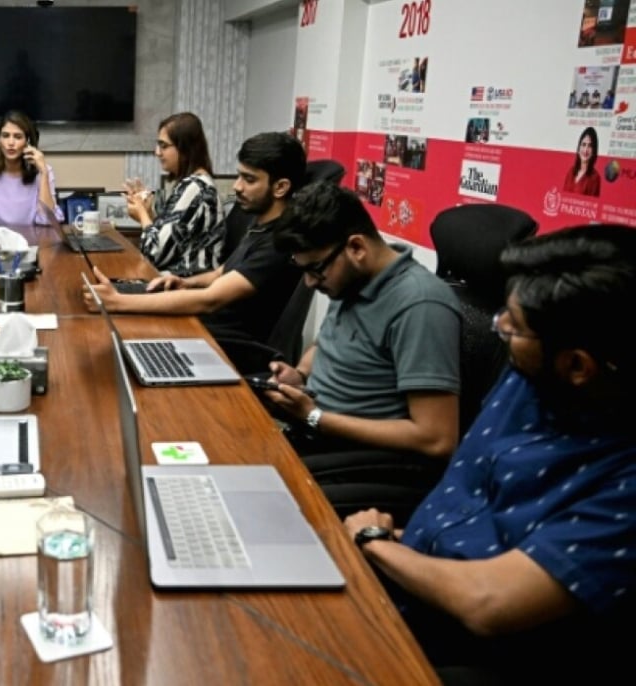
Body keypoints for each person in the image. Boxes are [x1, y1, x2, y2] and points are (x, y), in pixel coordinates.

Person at [344, 225, 636, 683]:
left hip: (463, 649)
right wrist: (402, 547)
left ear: (577, 366)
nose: (497, 325)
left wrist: (372, 543)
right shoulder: (534, 378)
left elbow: (488, 604)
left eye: (514, 327)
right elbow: (475, 501)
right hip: (408, 576)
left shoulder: (624, 480)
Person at [264, 182, 461, 524]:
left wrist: (314, 417)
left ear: (356, 246)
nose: (310, 283)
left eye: (315, 269)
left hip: (372, 459)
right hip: (320, 431)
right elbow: (325, 342)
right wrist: (300, 374)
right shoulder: (352, 279)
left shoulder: (420, 304)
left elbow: (437, 438)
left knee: (265, 502)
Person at [81, 131, 306, 372]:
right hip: (208, 327)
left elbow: (210, 300)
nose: (237, 186)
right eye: (239, 176)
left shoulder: (279, 243)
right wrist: (185, 283)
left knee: (116, 342)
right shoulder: (259, 223)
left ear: (280, 187)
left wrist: (117, 302)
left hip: (229, 346)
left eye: (249, 179)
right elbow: (222, 272)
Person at [125, 112, 224, 277]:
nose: (157, 152)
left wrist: (142, 214)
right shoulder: (197, 183)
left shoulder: (194, 187)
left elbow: (154, 253)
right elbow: (173, 241)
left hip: (185, 287)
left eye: (164, 146)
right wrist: (148, 213)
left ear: (185, 148)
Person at [0, 110, 63, 227]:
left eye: (18, 137)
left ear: (27, 142)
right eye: (5, 136)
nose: (11, 142)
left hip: (31, 242)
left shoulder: (44, 170)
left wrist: (43, 173)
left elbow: (47, 221)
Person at [562, 126, 601, 197]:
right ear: (579, 147)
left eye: (590, 146)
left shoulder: (595, 178)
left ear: (594, 150)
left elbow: (591, 206)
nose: (586, 150)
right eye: (583, 144)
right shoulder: (571, 171)